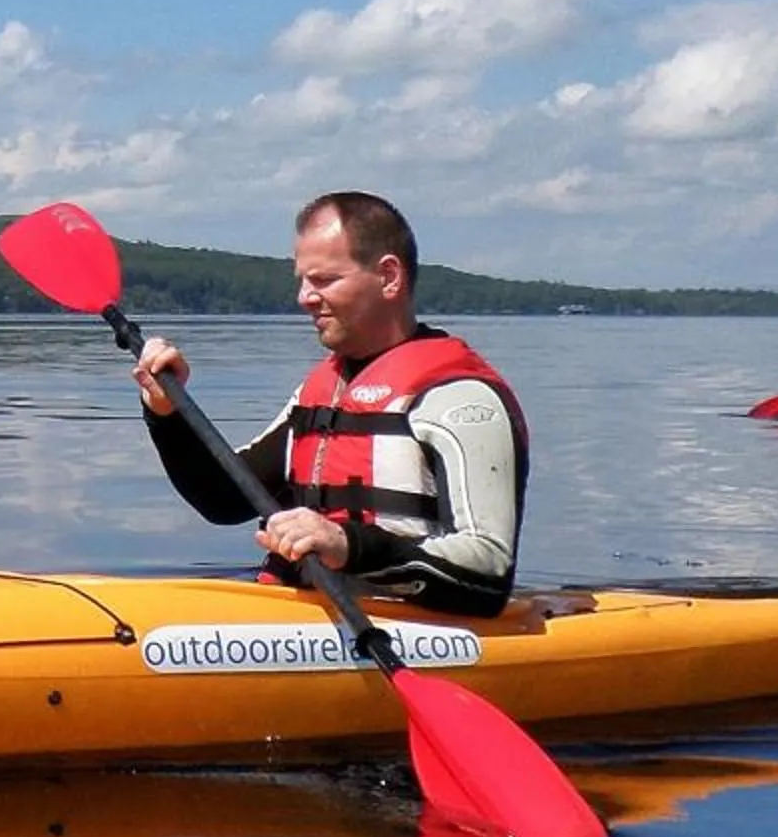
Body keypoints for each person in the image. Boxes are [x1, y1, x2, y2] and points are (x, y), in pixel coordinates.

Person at [132, 191, 527, 617]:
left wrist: (347, 545)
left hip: (414, 630)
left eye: (323, 280)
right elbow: (221, 499)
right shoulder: (319, 392)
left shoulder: (461, 400)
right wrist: (167, 414)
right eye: (301, 280)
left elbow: (489, 577)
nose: (304, 297)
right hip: (301, 619)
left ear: (389, 277)